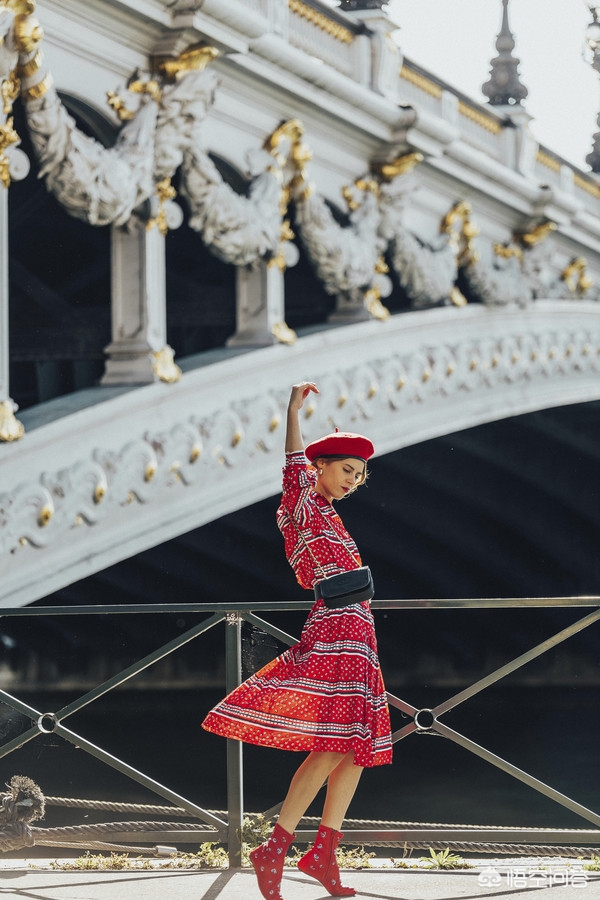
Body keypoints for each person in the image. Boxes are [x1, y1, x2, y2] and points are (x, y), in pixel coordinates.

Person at [202, 381, 392, 899]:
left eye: (359, 476)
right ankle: (277, 846)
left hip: (358, 635)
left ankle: (323, 854)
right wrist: (291, 410)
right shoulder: (302, 503)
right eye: (346, 470)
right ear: (321, 468)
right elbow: (291, 463)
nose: (352, 481)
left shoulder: (332, 515)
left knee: (355, 748)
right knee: (333, 746)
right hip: (335, 632)